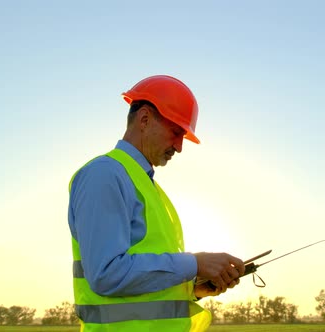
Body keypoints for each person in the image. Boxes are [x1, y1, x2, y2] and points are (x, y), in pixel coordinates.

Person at [67, 75, 245, 331]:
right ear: (145, 119)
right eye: (176, 132)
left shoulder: (145, 185)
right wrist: (195, 264)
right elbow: (105, 274)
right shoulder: (104, 174)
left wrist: (192, 289)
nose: (180, 147)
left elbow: (140, 289)